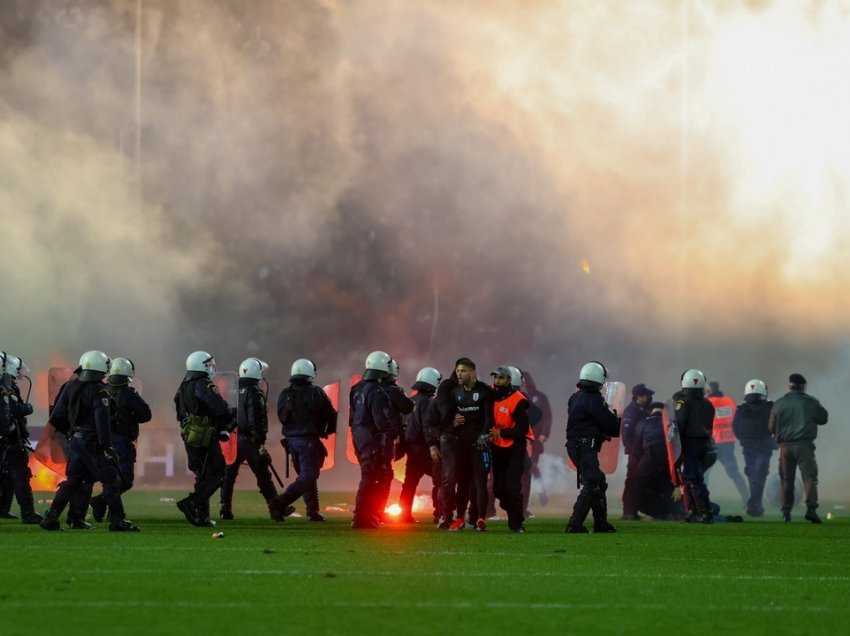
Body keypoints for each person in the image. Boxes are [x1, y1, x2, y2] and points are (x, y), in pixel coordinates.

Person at [40, 351, 139, 532]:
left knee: (74, 480)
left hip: (76, 441)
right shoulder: (99, 391)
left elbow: (57, 417)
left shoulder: (71, 386)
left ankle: (51, 518)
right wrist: (107, 446)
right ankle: (118, 521)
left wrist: (71, 433)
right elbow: (102, 422)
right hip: (92, 442)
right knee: (111, 480)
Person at [269, 358, 337, 522]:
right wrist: (327, 431)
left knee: (306, 476)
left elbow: (281, 416)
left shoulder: (285, 393)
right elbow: (331, 415)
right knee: (309, 475)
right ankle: (280, 502)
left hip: (291, 441)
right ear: (311, 374)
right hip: (308, 440)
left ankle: (312, 511)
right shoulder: (316, 393)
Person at [88, 358, 151, 524]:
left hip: (102, 440)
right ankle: (102, 502)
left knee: (111, 477)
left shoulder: (101, 390)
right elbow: (146, 415)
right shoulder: (128, 394)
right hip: (121, 441)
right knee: (125, 479)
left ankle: (109, 509)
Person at [174, 351, 233, 527]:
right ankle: (191, 503)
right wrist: (230, 415)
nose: (212, 367)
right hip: (205, 434)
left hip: (189, 434)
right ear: (202, 366)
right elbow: (220, 408)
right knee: (218, 472)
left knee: (202, 474)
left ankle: (202, 517)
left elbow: (179, 410)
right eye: (209, 364)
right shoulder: (203, 384)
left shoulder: (183, 385)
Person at [434, 357, 494, 531]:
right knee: (462, 482)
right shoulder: (454, 393)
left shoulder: (484, 391)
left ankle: (480, 518)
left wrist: (483, 435)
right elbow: (445, 418)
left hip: (479, 445)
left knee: (480, 483)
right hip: (461, 445)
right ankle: (459, 517)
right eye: (457, 370)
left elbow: (489, 417)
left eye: (463, 371)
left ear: (473, 372)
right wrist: (449, 424)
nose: (459, 374)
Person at [219, 358, 279, 520]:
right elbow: (255, 419)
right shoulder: (254, 392)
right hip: (250, 440)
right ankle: (276, 508)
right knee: (263, 475)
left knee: (229, 475)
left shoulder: (233, 391)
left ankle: (225, 508)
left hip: (234, 438)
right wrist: (260, 440)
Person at [565, 361, 620, 533]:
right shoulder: (594, 400)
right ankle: (574, 525)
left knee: (599, 481)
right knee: (593, 484)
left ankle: (600, 524)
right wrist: (614, 416)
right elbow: (610, 424)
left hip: (576, 446)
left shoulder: (575, 397)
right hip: (585, 447)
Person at [768, 373, 829, 523]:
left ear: (789, 386)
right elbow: (823, 419)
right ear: (803, 387)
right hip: (804, 446)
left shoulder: (779, 403)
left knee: (786, 480)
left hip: (785, 448)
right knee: (809, 478)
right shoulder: (810, 402)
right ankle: (811, 509)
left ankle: (786, 512)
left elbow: (770, 427)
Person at [349, 351, 396, 529]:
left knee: (368, 476)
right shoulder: (377, 391)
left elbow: (352, 417)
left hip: (358, 436)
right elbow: (380, 419)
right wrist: (392, 433)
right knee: (370, 478)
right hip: (371, 438)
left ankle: (366, 516)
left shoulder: (356, 388)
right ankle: (361, 518)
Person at [0, 353, 43, 524]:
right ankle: (28, 513)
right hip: (10, 440)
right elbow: (12, 411)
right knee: (20, 475)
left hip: (5, 441)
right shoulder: (5, 390)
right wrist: (28, 407)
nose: (19, 373)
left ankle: (2, 509)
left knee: (6, 476)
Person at [397, 366, 442, 523]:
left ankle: (404, 515)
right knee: (440, 480)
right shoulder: (429, 403)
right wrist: (434, 445)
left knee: (409, 483)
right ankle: (439, 513)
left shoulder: (410, 401)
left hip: (410, 448)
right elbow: (428, 426)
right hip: (425, 447)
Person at [489, 366, 530, 533]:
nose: (497, 381)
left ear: (509, 380)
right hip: (497, 447)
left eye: (500, 378)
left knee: (513, 487)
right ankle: (513, 510)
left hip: (515, 449)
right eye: (495, 377)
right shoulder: (490, 396)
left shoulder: (519, 400)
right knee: (498, 488)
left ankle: (516, 524)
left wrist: (501, 432)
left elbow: (522, 429)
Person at [675, 369, 715, 523]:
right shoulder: (708, 404)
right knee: (690, 477)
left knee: (693, 478)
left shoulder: (683, 403)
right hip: (703, 444)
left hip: (689, 443)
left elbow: (679, 424)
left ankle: (704, 512)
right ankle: (692, 511)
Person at [622, 402, 675, 520]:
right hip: (669, 456)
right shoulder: (670, 422)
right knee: (667, 484)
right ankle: (673, 513)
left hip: (652, 454)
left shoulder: (643, 422)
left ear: (651, 410)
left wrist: (637, 463)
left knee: (635, 482)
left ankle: (631, 513)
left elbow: (637, 447)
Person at [732, 379, 775, 517]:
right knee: (759, 474)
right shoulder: (770, 408)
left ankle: (756, 504)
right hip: (764, 447)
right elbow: (775, 426)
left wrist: (744, 441)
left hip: (748, 447)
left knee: (752, 474)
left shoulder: (741, 409)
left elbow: (735, 428)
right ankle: (755, 503)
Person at [377, 358, 414, 520]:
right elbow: (407, 407)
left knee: (372, 474)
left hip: (368, 438)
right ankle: (375, 511)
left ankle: (368, 509)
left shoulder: (364, 389)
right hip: (385, 437)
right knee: (384, 474)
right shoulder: (392, 391)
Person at [706, 380, 748, 507]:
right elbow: (737, 420)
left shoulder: (707, 403)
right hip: (728, 443)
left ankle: (700, 500)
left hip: (712, 444)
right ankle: (747, 499)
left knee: (704, 474)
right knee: (734, 474)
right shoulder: (729, 401)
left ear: (708, 391)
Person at [620, 383, 654, 520]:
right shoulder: (631, 411)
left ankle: (633, 511)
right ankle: (629, 512)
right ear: (639, 396)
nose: (649, 398)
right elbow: (626, 433)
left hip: (642, 451)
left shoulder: (642, 409)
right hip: (636, 452)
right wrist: (633, 450)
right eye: (647, 395)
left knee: (637, 480)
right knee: (632, 480)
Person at [522, 370, 552, 515]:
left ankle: (537, 495)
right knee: (524, 471)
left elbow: (547, 416)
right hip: (518, 439)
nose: (524, 383)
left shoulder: (540, 397)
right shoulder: (512, 396)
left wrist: (545, 433)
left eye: (525, 380)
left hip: (534, 441)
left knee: (530, 468)